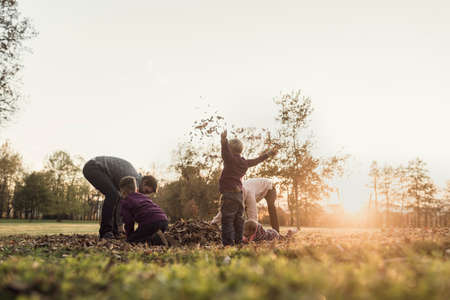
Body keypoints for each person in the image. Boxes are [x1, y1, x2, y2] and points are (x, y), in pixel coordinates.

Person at [219, 130, 277, 246]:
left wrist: (223, 141)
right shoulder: (244, 163)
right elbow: (256, 161)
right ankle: (239, 241)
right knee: (238, 220)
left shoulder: (230, 159)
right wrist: (268, 154)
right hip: (239, 195)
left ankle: (228, 244)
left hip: (229, 193)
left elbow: (225, 152)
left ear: (230, 150)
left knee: (227, 220)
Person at [82, 156, 157, 239]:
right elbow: (123, 204)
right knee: (112, 195)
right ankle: (105, 231)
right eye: (146, 191)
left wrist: (118, 229)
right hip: (94, 167)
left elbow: (119, 202)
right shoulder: (133, 181)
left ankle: (114, 231)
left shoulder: (134, 178)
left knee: (115, 196)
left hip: (96, 167)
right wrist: (121, 225)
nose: (144, 194)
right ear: (145, 182)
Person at [211, 178, 280, 232]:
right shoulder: (233, 195)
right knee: (243, 210)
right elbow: (225, 211)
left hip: (269, 187)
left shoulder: (249, 194)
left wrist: (254, 232)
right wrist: (213, 223)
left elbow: (253, 216)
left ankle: (276, 232)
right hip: (257, 190)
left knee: (271, 207)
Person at [119, 176, 169, 246]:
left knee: (132, 240)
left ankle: (155, 240)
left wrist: (129, 236)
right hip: (164, 221)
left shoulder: (126, 201)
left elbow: (129, 221)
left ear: (123, 192)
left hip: (150, 223)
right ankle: (162, 237)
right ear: (136, 189)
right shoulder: (143, 196)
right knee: (147, 233)